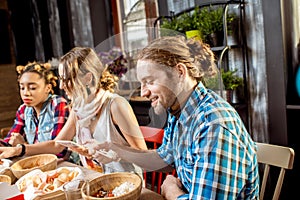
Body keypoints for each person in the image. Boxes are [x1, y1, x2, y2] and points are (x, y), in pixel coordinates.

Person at [86, 36, 260, 199]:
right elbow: (164, 159)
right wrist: (116, 150)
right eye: (141, 83)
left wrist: (172, 191)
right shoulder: (179, 111)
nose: (143, 92)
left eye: (150, 81)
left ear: (179, 72)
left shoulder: (213, 124)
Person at [0, 47, 147, 174]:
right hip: (96, 178)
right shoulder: (79, 108)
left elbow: (144, 157)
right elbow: (57, 144)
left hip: (127, 183)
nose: (62, 86)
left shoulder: (116, 105)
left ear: (88, 78)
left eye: (66, 79)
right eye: (61, 79)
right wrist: (19, 149)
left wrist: (113, 152)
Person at [0, 62, 70, 158]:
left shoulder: (58, 104)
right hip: (36, 163)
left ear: (48, 88)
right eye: (22, 88)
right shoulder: (23, 109)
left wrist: (23, 146)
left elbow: (59, 150)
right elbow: (9, 142)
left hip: (61, 164)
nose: (26, 93)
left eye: (32, 88)